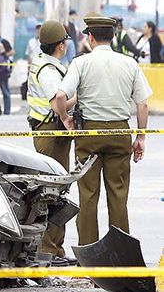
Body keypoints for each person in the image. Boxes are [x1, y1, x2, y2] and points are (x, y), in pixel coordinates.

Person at [51, 13, 152, 247]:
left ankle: (89, 254)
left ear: (91, 38)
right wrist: (141, 137)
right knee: (118, 195)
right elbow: (143, 104)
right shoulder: (129, 63)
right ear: (114, 36)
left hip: (89, 136)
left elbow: (60, 96)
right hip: (119, 133)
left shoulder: (81, 63)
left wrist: (65, 118)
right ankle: (121, 253)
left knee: (88, 196)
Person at [26, 20, 77, 265]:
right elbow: (57, 101)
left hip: (47, 130)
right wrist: (68, 114)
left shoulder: (44, 62)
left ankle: (53, 247)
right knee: (54, 190)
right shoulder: (48, 69)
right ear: (60, 45)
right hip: (50, 132)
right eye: (65, 40)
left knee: (56, 189)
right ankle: (48, 248)